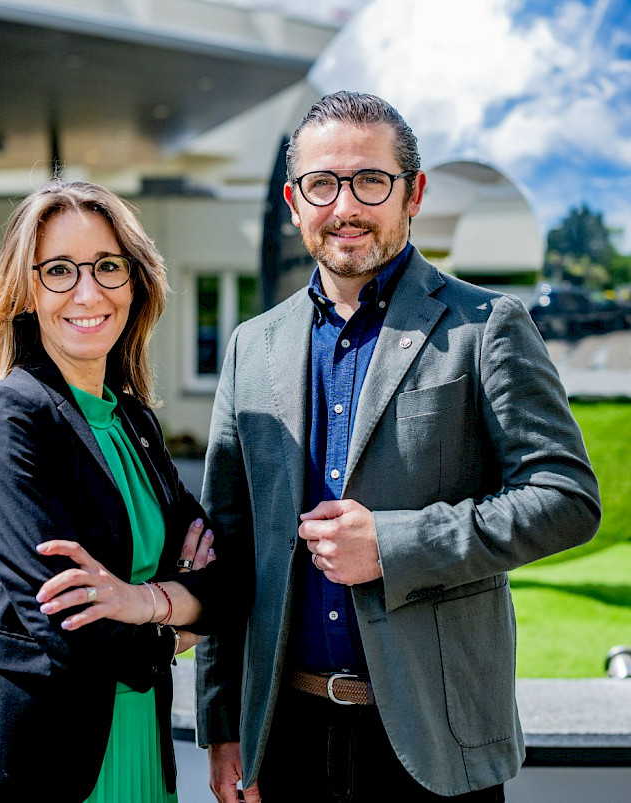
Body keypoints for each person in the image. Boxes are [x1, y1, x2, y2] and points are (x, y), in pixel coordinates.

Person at [195, 91, 601, 802]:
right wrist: (224, 724)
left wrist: (393, 544)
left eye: (370, 181)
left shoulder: (487, 326)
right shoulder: (251, 346)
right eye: (323, 184)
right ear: (294, 202)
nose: (345, 205)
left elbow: (566, 500)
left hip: (435, 744)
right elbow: (226, 548)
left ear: (413, 193)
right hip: (285, 739)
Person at [0, 179, 234, 803]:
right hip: (40, 762)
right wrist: (178, 624)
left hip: (140, 742)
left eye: (107, 266)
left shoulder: (134, 422)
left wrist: (142, 601)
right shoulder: (6, 418)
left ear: (135, 281)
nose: (89, 291)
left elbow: (227, 578)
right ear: (27, 292)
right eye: (59, 271)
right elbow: (66, 623)